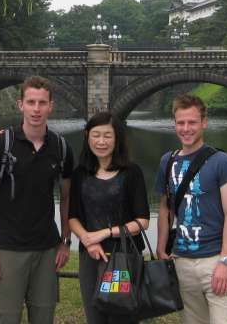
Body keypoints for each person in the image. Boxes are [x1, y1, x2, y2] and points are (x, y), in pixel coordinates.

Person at [0, 76, 74, 324]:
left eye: (42, 103)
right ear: (20, 105)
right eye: (31, 102)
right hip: (8, 247)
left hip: (46, 248)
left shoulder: (61, 148)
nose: (36, 109)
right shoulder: (0, 145)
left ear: (51, 106)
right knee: (4, 318)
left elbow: (66, 198)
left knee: (44, 316)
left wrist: (65, 241)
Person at [155, 94, 227, 324]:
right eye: (180, 123)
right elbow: (165, 208)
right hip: (182, 260)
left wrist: (225, 261)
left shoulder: (221, 161)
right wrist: (161, 247)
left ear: (204, 122)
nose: (186, 129)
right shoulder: (168, 161)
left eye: (192, 122)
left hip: (215, 259)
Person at [68, 111, 150, 324]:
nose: (101, 141)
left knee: (122, 315)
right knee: (95, 316)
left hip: (121, 257)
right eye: (96, 135)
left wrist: (104, 233)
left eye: (107, 136)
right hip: (91, 258)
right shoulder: (80, 173)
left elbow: (142, 221)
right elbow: (73, 217)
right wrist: (87, 239)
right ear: (87, 137)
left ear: (117, 139)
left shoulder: (131, 172)